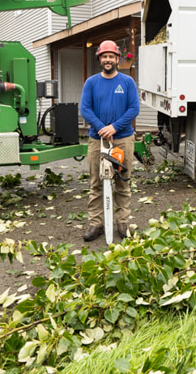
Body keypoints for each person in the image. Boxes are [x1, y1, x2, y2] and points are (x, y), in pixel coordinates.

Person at [79, 40, 140, 242]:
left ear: (117, 59)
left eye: (111, 56)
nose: (107, 59)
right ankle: (96, 223)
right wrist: (101, 128)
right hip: (97, 140)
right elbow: (85, 109)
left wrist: (114, 127)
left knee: (123, 181)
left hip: (122, 138)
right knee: (96, 182)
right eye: (104, 56)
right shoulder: (91, 83)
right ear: (100, 58)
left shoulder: (127, 82)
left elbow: (134, 108)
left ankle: (122, 222)